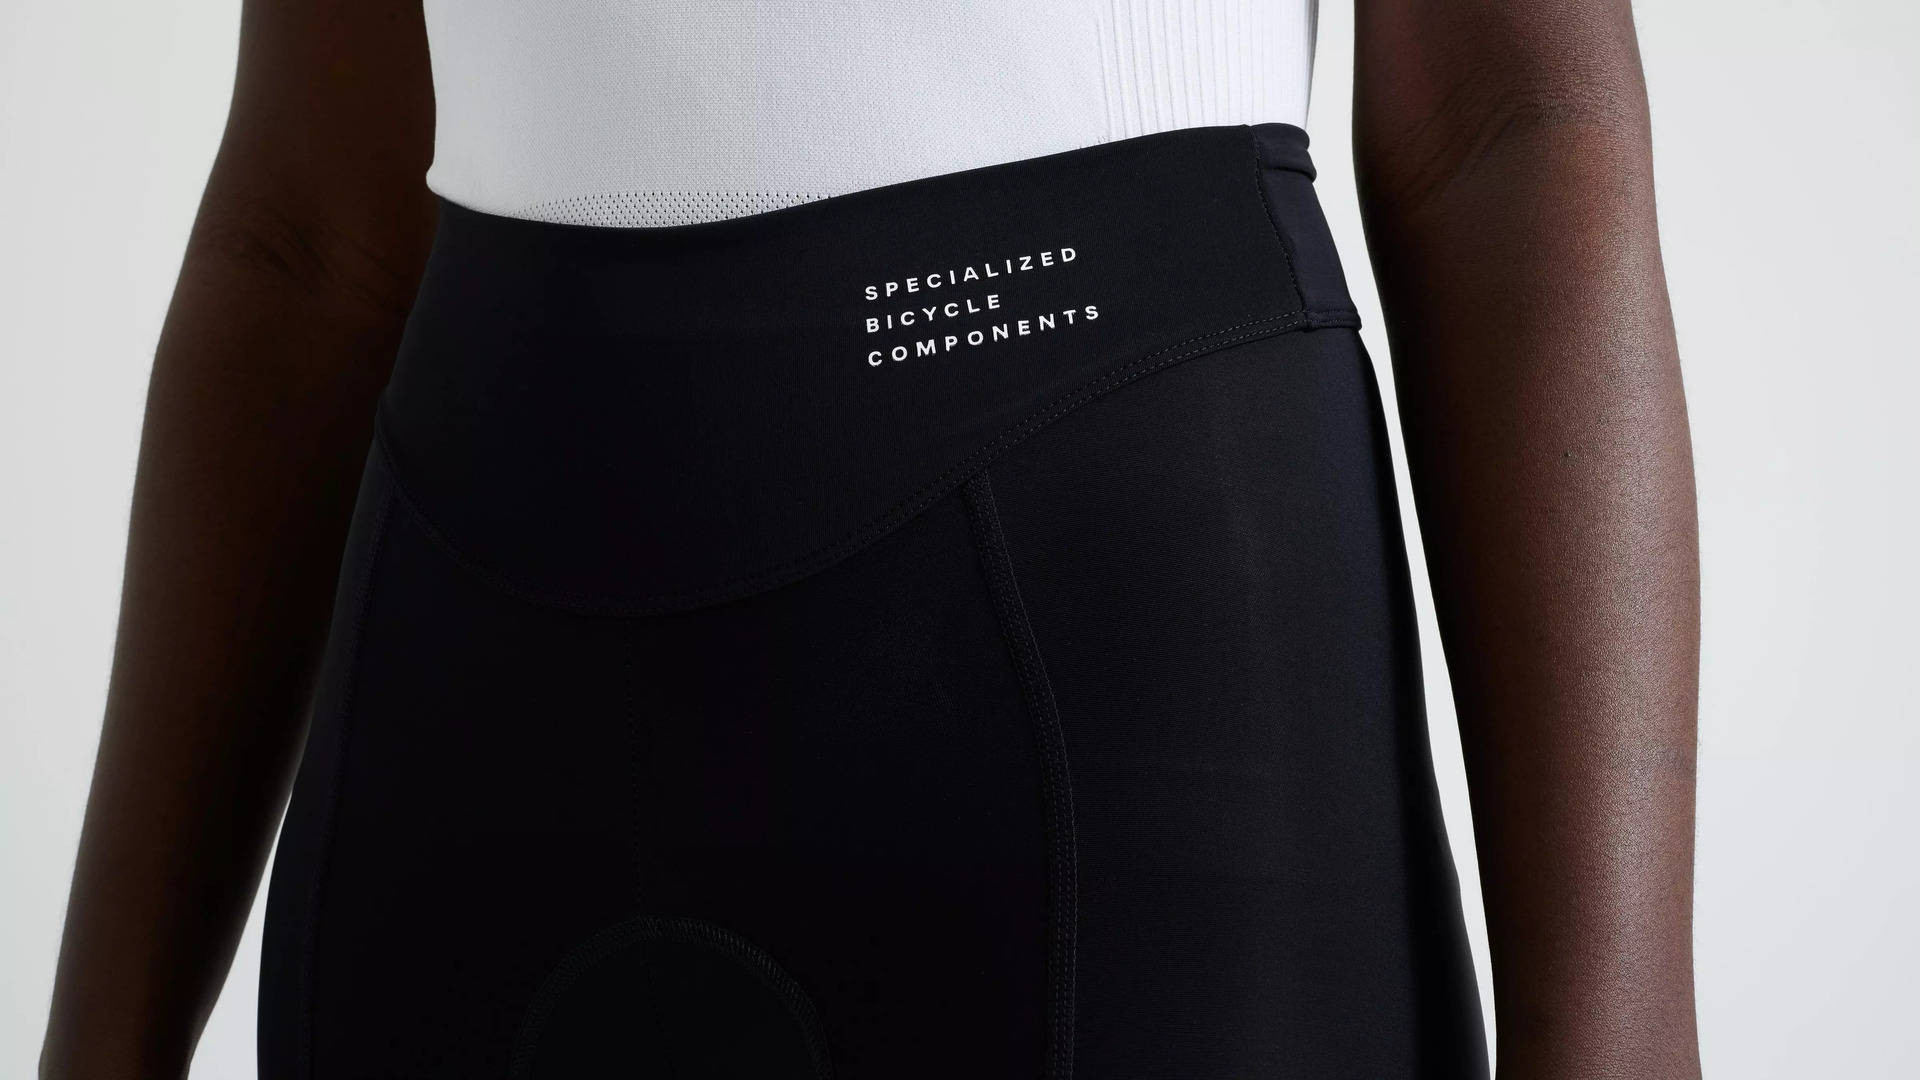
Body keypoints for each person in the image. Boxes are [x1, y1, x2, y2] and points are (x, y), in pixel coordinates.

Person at [39, 1, 1702, 1077]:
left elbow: (1504, 122)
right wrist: (100, 1043)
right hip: (471, 701)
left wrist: (1615, 1036)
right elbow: (312, 231)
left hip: (1123, 671)